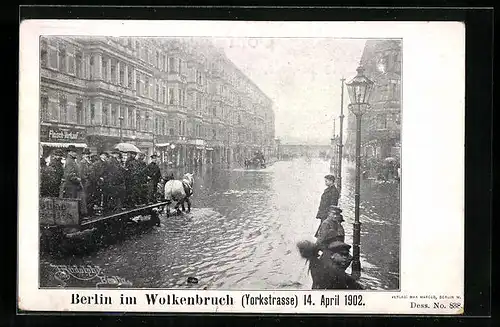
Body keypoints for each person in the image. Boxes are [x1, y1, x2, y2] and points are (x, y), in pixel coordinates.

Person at [297, 240, 364, 290]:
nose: (345, 257)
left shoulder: (318, 264)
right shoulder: (335, 272)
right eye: (342, 254)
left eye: (346, 255)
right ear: (332, 255)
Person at [60, 145, 87, 216]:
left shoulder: (72, 161)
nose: (76, 153)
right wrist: (78, 179)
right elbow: (69, 175)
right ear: (70, 153)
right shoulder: (69, 161)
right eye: (74, 152)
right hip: (71, 186)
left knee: (74, 203)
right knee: (72, 203)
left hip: (73, 186)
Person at [79, 148, 93, 216]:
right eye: (86, 154)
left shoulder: (89, 162)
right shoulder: (82, 163)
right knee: (85, 197)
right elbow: (81, 174)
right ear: (83, 155)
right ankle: (85, 212)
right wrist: (87, 177)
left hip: (89, 182)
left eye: (88, 154)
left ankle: (89, 211)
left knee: (89, 197)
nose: (87, 156)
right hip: (85, 182)